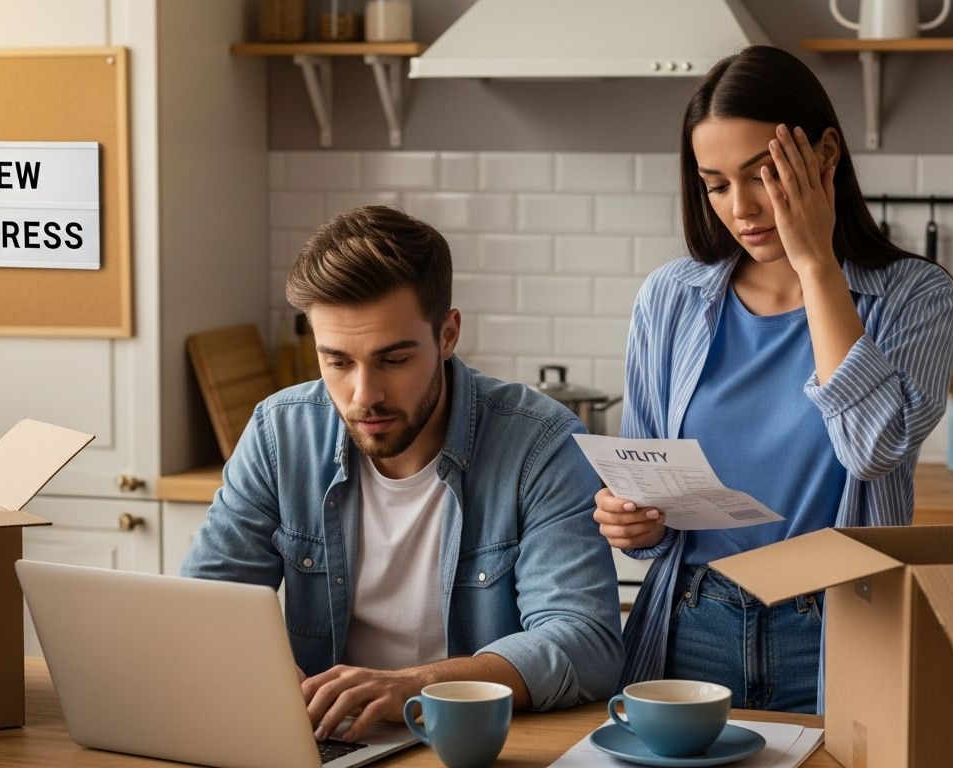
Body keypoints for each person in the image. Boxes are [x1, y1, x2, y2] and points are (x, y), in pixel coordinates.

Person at [595, 46, 953, 713]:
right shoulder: (671, 299)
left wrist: (816, 264)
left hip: (837, 626)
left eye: (762, 174)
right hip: (692, 624)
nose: (741, 207)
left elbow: (874, 450)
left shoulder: (913, 295)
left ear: (825, 154)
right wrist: (632, 523)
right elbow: (646, 484)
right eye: (716, 184)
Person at [182, 205, 623, 743]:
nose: (363, 396)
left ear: (447, 334)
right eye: (337, 362)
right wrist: (265, 680)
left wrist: (417, 686)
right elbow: (205, 608)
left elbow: (584, 642)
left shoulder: (540, 443)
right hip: (328, 741)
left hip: (480, 748)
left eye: (393, 360)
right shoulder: (281, 434)